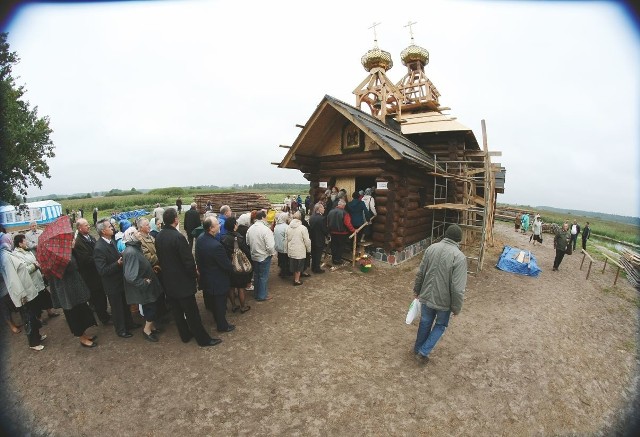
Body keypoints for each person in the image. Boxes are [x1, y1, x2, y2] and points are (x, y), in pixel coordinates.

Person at [155, 208, 221, 347]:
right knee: (192, 313)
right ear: (175, 220)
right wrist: (195, 275)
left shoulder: (159, 235)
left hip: (168, 281)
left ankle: (185, 335)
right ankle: (204, 340)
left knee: (177, 312)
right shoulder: (178, 237)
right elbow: (188, 261)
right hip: (182, 282)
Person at [413, 224, 467, 364]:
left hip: (426, 294)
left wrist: (417, 290)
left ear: (446, 235)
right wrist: (456, 307)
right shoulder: (459, 257)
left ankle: (417, 348)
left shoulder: (431, 248)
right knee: (441, 325)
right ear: (458, 240)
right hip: (444, 301)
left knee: (425, 322)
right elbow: (457, 288)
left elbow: (421, 272)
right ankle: (423, 351)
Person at [94, 218, 138, 339]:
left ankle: (129, 323)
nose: (112, 228)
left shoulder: (111, 241)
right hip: (112, 284)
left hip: (119, 280)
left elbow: (116, 256)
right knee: (117, 307)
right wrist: (117, 264)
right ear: (103, 231)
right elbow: (102, 270)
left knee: (125, 304)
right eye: (109, 227)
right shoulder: (99, 247)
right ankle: (121, 330)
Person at [0, 240, 45, 351]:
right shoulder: (5, 257)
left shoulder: (7, 253)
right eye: (7, 239)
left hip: (27, 289)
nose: (9, 241)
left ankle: (37, 336)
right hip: (23, 294)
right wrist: (21, 295)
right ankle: (33, 343)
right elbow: (12, 279)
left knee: (33, 315)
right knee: (28, 318)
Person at [48, 251, 98, 348]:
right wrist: (70, 253)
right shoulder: (55, 256)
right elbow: (72, 266)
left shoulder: (63, 252)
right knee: (73, 315)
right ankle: (82, 338)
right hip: (67, 292)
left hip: (73, 289)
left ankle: (84, 334)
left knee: (81, 311)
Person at [121, 228, 163, 342]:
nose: (139, 233)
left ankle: (152, 327)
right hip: (144, 288)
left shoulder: (135, 248)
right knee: (151, 308)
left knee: (151, 307)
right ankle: (147, 330)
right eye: (136, 232)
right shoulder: (131, 252)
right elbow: (130, 276)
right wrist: (143, 282)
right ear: (131, 236)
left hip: (147, 287)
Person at [195, 217, 235, 333]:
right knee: (220, 303)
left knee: (213, 301)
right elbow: (226, 265)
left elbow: (198, 258)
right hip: (218, 279)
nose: (220, 226)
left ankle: (218, 319)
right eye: (217, 224)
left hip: (206, 275)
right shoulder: (216, 246)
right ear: (211, 229)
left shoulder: (201, 238)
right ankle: (222, 325)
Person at [12, 234, 59, 321]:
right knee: (37, 301)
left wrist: (38, 265)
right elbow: (24, 270)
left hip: (38, 278)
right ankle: (39, 319)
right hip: (31, 281)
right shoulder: (16, 255)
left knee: (45, 296)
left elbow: (35, 261)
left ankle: (50, 312)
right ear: (20, 243)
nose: (26, 242)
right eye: (24, 240)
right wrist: (35, 266)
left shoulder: (27, 250)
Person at [73, 219, 111, 325]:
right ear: (79, 228)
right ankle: (103, 318)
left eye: (88, 224)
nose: (88, 226)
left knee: (102, 295)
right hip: (90, 275)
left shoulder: (91, 237)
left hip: (97, 272)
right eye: (86, 225)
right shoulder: (79, 243)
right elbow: (86, 260)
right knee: (97, 297)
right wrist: (100, 258)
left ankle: (104, 313)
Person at [221, 217, 252, 314]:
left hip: (229, 264)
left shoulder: (223, 238)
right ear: (234, 225)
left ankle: (234, 305)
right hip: (239, 265)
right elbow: (246, 252)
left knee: (231, 286)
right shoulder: (239, 238)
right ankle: (243, 306)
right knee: (241, 287)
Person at [245, 210, 276, 302]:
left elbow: (247, 242)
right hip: (264, 256)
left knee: (257, 275)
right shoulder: (266, 229)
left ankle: (257, 293)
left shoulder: (250, 228)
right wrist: (271, 253)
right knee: (263, 276)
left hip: (254, 255)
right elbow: (270, 246)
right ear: (263, 217)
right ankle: (262, 295)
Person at [285, 211, 311, 286]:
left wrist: (286, 249)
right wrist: (308, 249)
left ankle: (295, 278)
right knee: (299, 266)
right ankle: (296, 280)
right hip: (300, 249)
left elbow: (286, 240)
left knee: (293, 264)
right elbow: (307, 240)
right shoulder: (303, 228)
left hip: (291, 249)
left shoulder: (288, 227)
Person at [326, 200, 355, 266]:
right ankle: (338, 260)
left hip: (332, 232)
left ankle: (334, 259)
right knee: (340, 247)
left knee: (334, 246)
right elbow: (348, 224)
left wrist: (329, 230)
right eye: (344, 206)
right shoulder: (345, 213)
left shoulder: (331, 211)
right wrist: (353, 230)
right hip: (342, 233)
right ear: (343, 205)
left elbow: (327, 222)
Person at [309, 203, 328, 273]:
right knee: (318, 254)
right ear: (319, 209)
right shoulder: (322, 218)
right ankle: (317, 268)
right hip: (319, 238)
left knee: (314, 254)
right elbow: (324, 230)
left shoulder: (312, 217)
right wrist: (328, 233)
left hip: (312, 238)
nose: (324, 209)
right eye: (323, 208)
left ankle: (313, 267)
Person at [273, 212, 291, 278]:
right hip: (284, 246)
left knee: (281, 259)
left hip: (278, 246)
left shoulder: (277, 226)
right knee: (285, 260)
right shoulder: (286, 227)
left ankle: (282, 271)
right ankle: (285, 273)